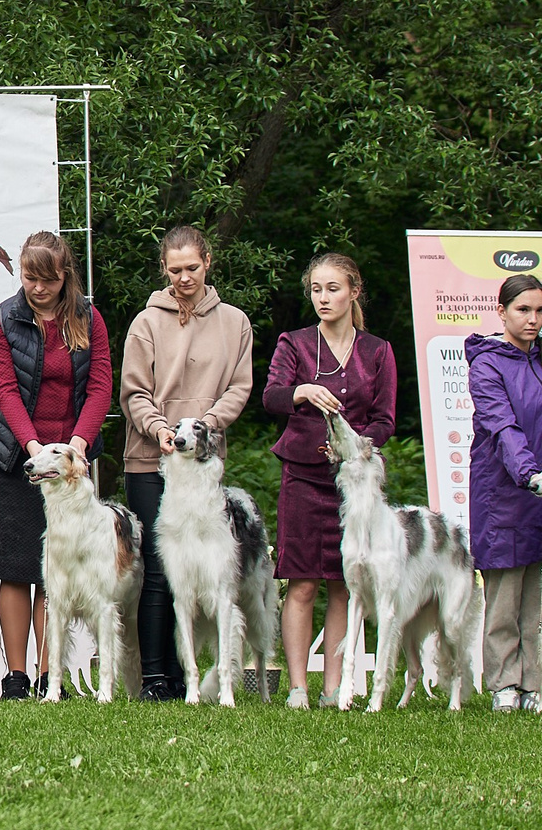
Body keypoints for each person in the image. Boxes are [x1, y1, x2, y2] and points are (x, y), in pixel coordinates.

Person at [117, 226, 253, 699]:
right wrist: (161, 430)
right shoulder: (146, 322)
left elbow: (240, 385)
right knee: (158, 569)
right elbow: (133, 390)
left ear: (208, 262)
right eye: (174, 271)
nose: (183, 278)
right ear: (164, 270)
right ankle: (158, 678)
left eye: (191, 268)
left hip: (203, 462)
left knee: (204, 571)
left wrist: (207, 425)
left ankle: (196, 674)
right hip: (150, 461)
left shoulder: (235, 322)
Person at [258, 252, 396, 705]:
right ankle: (298, 686)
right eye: (316, 289)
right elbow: (271, 396)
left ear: (354, 291)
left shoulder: (377, 350)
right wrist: (299, 391)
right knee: (301, 582)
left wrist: (356, 444)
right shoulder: (294, 343)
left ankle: (334, 687)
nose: (323, 298)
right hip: (302, 475)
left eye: (333, 289)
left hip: (354, 485)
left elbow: (386, 418)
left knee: (343, 582)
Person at [0, 230, 112, 699]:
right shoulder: (1, 318)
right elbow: (6, 390)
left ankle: (48, 674)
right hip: (18, 456)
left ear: (64, 275)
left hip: (71, 463)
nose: (37, 288)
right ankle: (16, 676)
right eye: (29, 278)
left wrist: (76, 447)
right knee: (17, 567)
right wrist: (35, 450)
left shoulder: (88, 317)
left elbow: (99, 388)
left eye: (47, 280)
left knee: (55, 572)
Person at [465, 273, 542, 713]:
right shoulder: (487, 363)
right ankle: (504, 683)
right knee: (506, 593)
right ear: (502, 312)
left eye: (540, 310)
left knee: (538, 594)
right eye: (523, 310)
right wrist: (531, 474)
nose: (533, 319)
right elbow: (502, 425)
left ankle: (534, 683)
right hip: (505, 491)